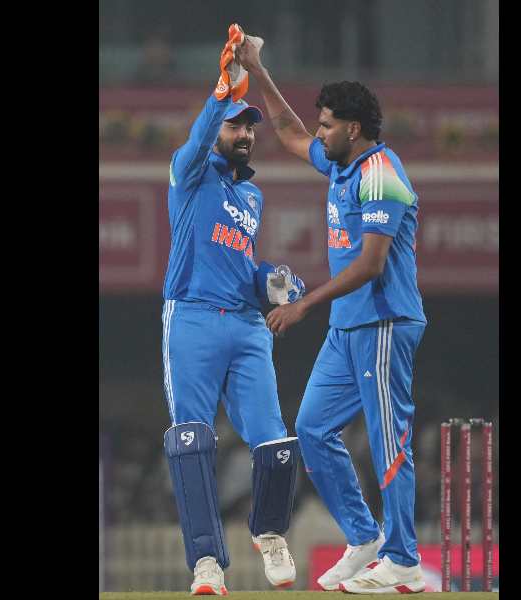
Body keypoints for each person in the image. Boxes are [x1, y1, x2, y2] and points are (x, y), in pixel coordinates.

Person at [236, 37, 428, 594]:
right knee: (313, 428)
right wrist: (258, 70)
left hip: (383, 323)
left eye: (327, 125)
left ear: (353, 128)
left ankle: (404, 561)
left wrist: (304, 305)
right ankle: (364, 536)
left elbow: (371, 264)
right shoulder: (343, 165)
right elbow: (289, 132)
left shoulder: (380, 172)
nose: (318, 134)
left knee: (389, 441)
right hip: (348, 327)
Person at [161, 24, 306, 596]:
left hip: (246, 327)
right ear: (215, 129)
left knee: (276, 444)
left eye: (250, 127)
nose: (245, 134)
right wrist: (224, 88)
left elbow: (241, 265)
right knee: (191, 439)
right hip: (192, 318)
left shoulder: (252, 195)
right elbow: (198, 139)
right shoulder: (188, 175)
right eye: (235, 125)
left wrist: (273, 283)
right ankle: (206, 563)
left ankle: (269, 532)